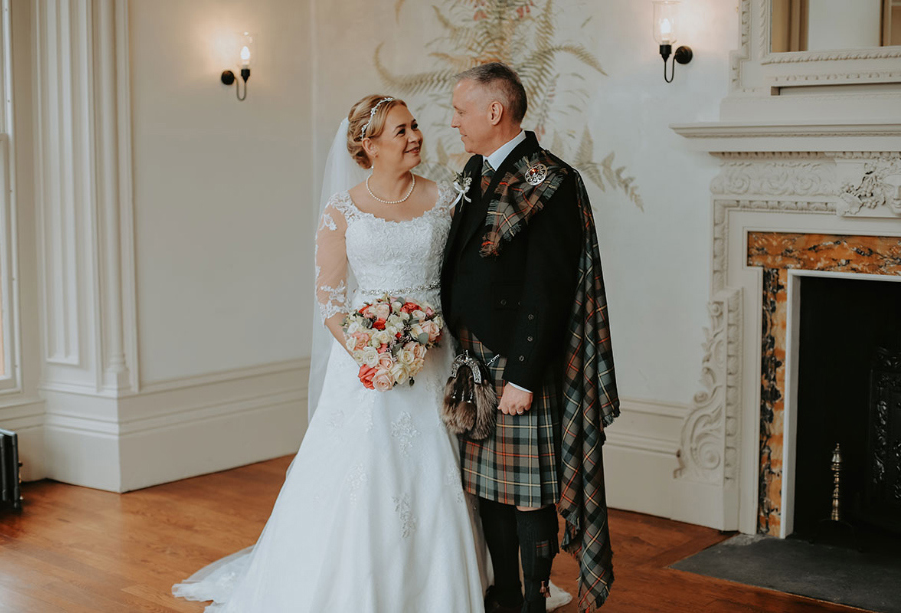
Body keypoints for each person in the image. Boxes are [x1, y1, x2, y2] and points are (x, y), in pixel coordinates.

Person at [173, 95, 488, 612]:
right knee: (362, 471)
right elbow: (330, 300)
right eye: (400, 131)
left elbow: (466, 281)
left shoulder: (446, 198)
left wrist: (426, 338)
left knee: (434, 470)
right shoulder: (343, 210)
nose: (415, 137)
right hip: (366, 362)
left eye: (414, 126)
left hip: (434, 356)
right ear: (369, 145)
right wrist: (372, 351)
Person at [442, 63, 621, 613]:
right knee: (489, 490)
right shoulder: (476, 171)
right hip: (474, 360)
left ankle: (534, 599)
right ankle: (503, 593)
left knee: (528, 494)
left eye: (459, 110)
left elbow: (549, 288)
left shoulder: (549, 180)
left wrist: (521, 374)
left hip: (518, 364)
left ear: (494, 112)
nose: (453, 122)